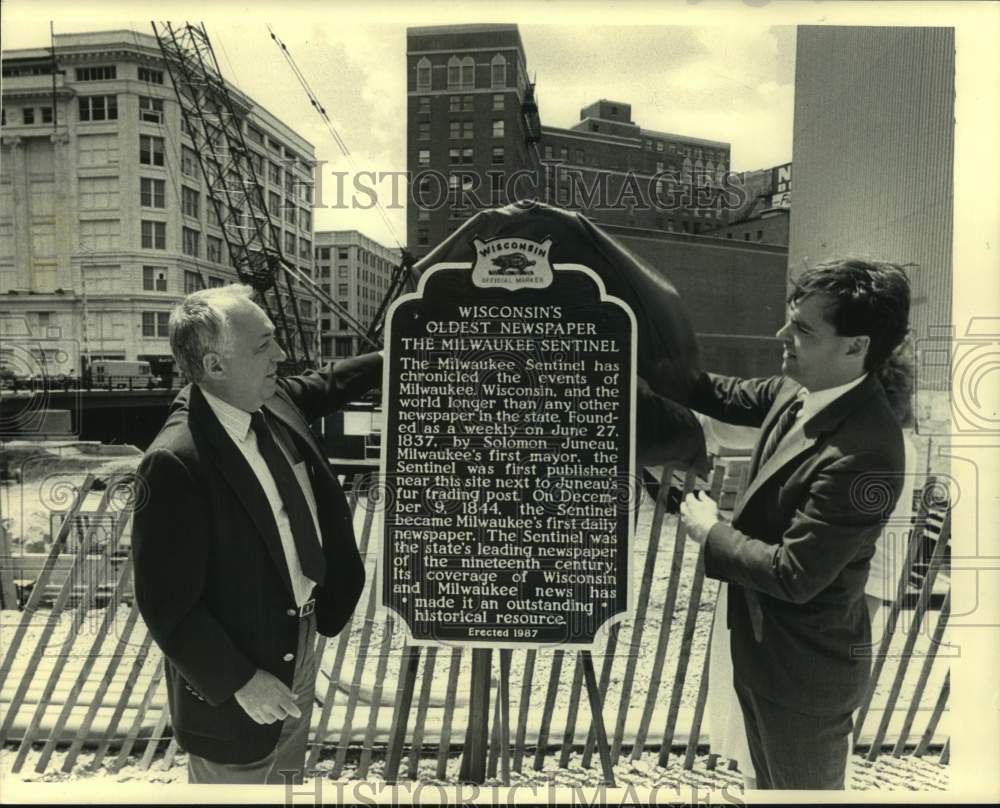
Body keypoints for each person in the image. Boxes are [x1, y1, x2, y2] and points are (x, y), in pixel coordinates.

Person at [131, 284, 381, 784]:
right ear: (215, 366)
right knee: (240, 778)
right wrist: (242, 681)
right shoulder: (175, 462)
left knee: (285, 774)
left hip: (302, 634)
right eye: (263, 345)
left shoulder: (275, 400)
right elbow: (166, 605)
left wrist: (407, 345)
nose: (281, 355)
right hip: (244, 673)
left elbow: (331, 382)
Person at [676, 258, 911, 790]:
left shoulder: (866, 450)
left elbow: (794, 573)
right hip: (767, 661)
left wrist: (709, 530)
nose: (782, 334)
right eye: (790, 319)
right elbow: (722, 393)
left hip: (805, 681)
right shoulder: (801, 389)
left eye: (803, 329)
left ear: (856, 347)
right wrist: (636, 355)